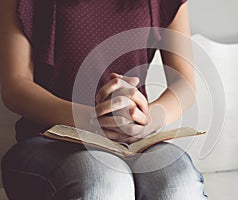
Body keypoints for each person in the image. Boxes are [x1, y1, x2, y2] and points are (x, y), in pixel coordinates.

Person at [0, 0, 208, 199]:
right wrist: (91, 120)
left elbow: (184, 85)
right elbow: (15, 86)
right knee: (103, 181)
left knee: (180, 184)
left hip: (134, 140)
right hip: (47, 139)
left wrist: (145, 121)